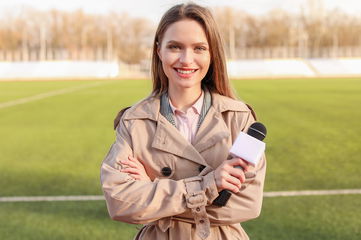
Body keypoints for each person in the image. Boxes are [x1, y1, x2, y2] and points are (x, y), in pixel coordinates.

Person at [100, 3, 266, 240]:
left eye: (199, 48)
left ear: (212, 53)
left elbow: (246, 204)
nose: (186, 60)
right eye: (175, 47)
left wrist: (153, 189)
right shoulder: (135, 121)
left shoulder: (239, 117)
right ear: (159, 51)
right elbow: (120, 202)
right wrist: (209, 184)